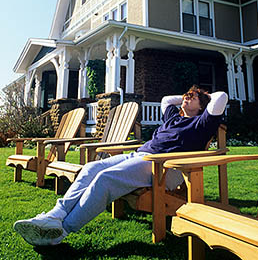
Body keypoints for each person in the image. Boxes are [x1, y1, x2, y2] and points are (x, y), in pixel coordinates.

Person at [14, 86, 228, 246]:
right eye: (186, 95)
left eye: (193, 97)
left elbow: (221, 97)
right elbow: (165, 100)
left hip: (163, 166)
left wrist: (204, 96)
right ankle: (54, 216)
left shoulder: (202, 123)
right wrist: (188, 95)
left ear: (203, 106)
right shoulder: (173, 117)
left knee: (105, 179)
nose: (187, 97)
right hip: (139, 155)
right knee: (90, 168)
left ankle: (61, 232)